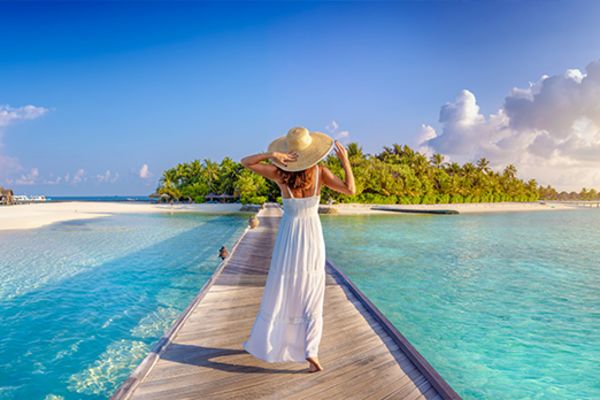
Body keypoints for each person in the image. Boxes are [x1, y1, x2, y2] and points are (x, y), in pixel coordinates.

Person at [240, 126, 355, 373]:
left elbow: (245, 162)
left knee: (285, 285)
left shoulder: (280, 174)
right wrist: (345, 161)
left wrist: (272, 156)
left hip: (289, 236)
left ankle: (275, 341)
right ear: (312, 152)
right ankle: (311, 350)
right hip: (312, 235)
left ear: (289, 152)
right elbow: (350, 189)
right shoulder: (321, 172)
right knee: (312, 289)